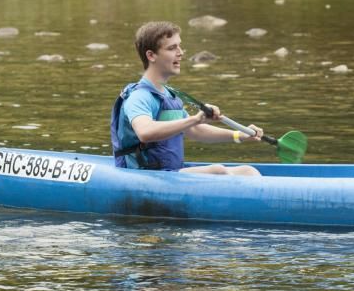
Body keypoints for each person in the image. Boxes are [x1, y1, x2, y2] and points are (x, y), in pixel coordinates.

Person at [110, 21, 263, 175]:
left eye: (179, 46)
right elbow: (145, 131)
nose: (181, 52)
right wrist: (195, 119)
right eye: (172, 48)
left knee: (248, 171)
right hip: (146, 175)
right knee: (217, 170)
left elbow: (194, 130)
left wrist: (238, 135)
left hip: (171, 173)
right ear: (151, 55)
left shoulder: (169, 95)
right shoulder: (139, 97)